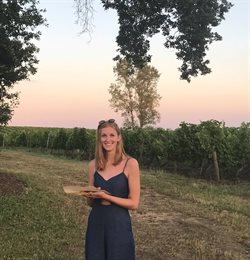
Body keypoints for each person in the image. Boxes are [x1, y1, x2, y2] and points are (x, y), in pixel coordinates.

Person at [83, 119, 140, 260]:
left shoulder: (130, 164)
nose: (108, 139)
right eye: (104, 136)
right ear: (99, 139)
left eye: (112, 135)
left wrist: (107, 197)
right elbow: (90, 203)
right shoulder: (93, 165)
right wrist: (90, 195)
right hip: (96, 222)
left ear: (119, 137)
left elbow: (134, 204)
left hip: (118, 224)